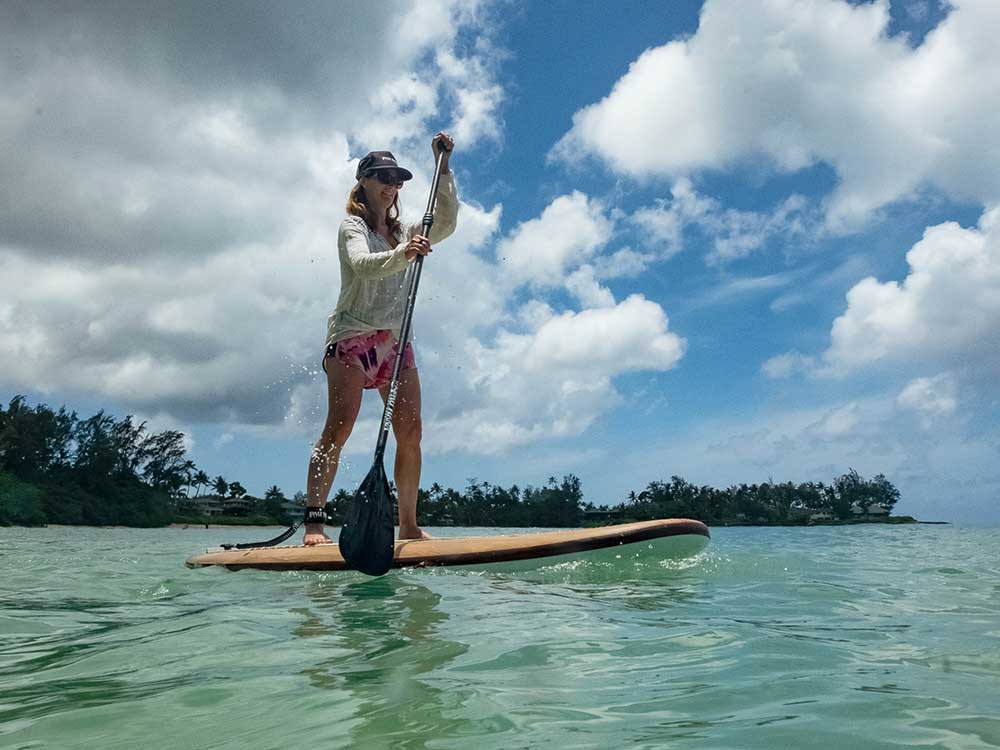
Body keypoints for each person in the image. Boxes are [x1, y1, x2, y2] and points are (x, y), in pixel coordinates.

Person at [303, 133, 457, 546]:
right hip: (351, 339)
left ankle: (407, 524)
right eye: (385, 177)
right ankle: (315, 525)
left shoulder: (403, 228)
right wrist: (404, 254)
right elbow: (362, 265)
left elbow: (445, 224)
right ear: (364, 181)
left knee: (411, 432)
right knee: (339, 428)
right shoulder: (351, 226)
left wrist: (443, 170)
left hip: (395, 341)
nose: (393, 185)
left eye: (399, 179)